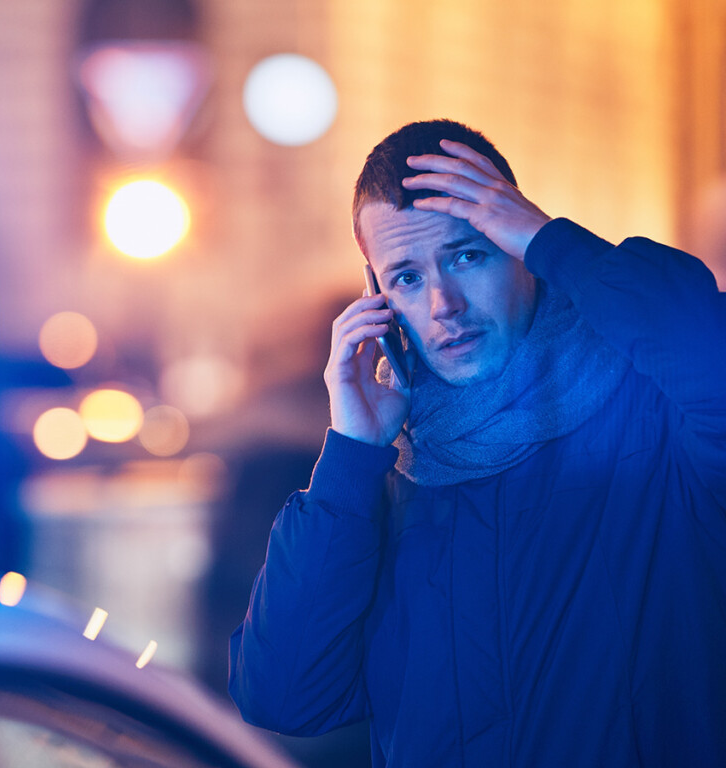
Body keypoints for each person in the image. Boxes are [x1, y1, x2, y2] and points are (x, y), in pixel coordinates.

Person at [228, 119, 726, 767]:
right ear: (378, 298)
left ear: (518, 248)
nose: (443, 303)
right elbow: (284, 697)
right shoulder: (383, 483)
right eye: (406, 276)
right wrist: (352, 454)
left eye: (469, 255)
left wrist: (555, 242)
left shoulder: (655, 424)